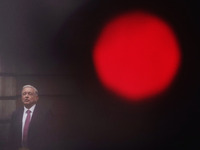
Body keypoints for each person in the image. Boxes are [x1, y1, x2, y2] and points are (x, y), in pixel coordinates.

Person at [7, 85, 54, 150]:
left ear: (36, 98)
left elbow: (49, 138)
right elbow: (11, 136)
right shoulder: (15, 113)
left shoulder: (45, 113)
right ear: (21, 97)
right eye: (24, 94)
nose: (26, 96)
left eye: (30, 94)